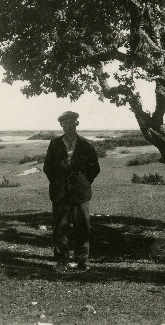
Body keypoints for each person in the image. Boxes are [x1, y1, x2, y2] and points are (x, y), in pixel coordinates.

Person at [43, 111, 100, 271]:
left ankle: (83, 261)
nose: (69, 126)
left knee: (82, 227)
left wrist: (83, 182)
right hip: (60, 194)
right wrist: (58, 183)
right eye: (65, 123)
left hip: (81, 194)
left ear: (77, 124)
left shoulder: (86, 144)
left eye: (72, 122)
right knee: (60, 227)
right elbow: (48, 167)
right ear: (61, 125)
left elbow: (94, 168)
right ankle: (61, 261)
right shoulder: (54, 144)